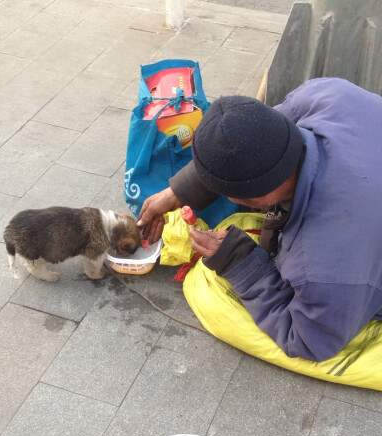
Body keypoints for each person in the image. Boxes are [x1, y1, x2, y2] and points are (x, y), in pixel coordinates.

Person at [137, 78, 382, 362]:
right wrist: (180, 191)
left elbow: (308, 341)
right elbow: (250, 141)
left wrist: (238, 261)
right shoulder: (326, 94)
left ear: (244, 199)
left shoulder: (323, 265)